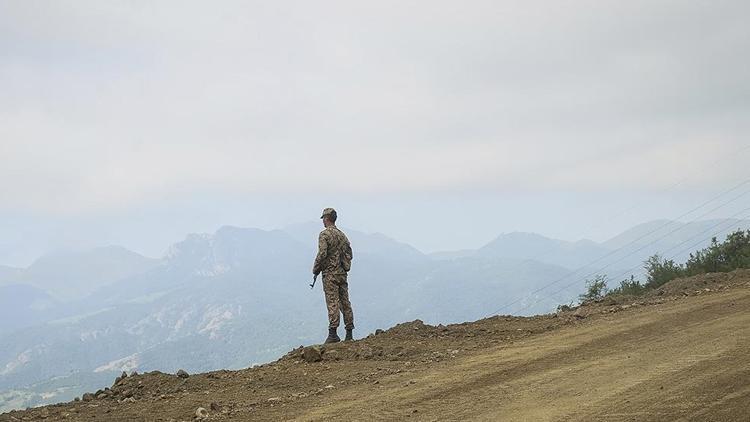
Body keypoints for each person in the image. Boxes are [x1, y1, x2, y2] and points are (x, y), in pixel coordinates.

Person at [312, 207, 355, 343]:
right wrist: (345, 266)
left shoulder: (324, 235)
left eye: (323, 219)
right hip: (342, 274)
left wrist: (316, 269)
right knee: (345, 302)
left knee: (332, 302)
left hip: (330, 274)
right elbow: (349, 253)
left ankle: (333, 334)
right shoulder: (343, 236)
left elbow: (322, 253)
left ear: (326, 218)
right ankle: (349, 333)